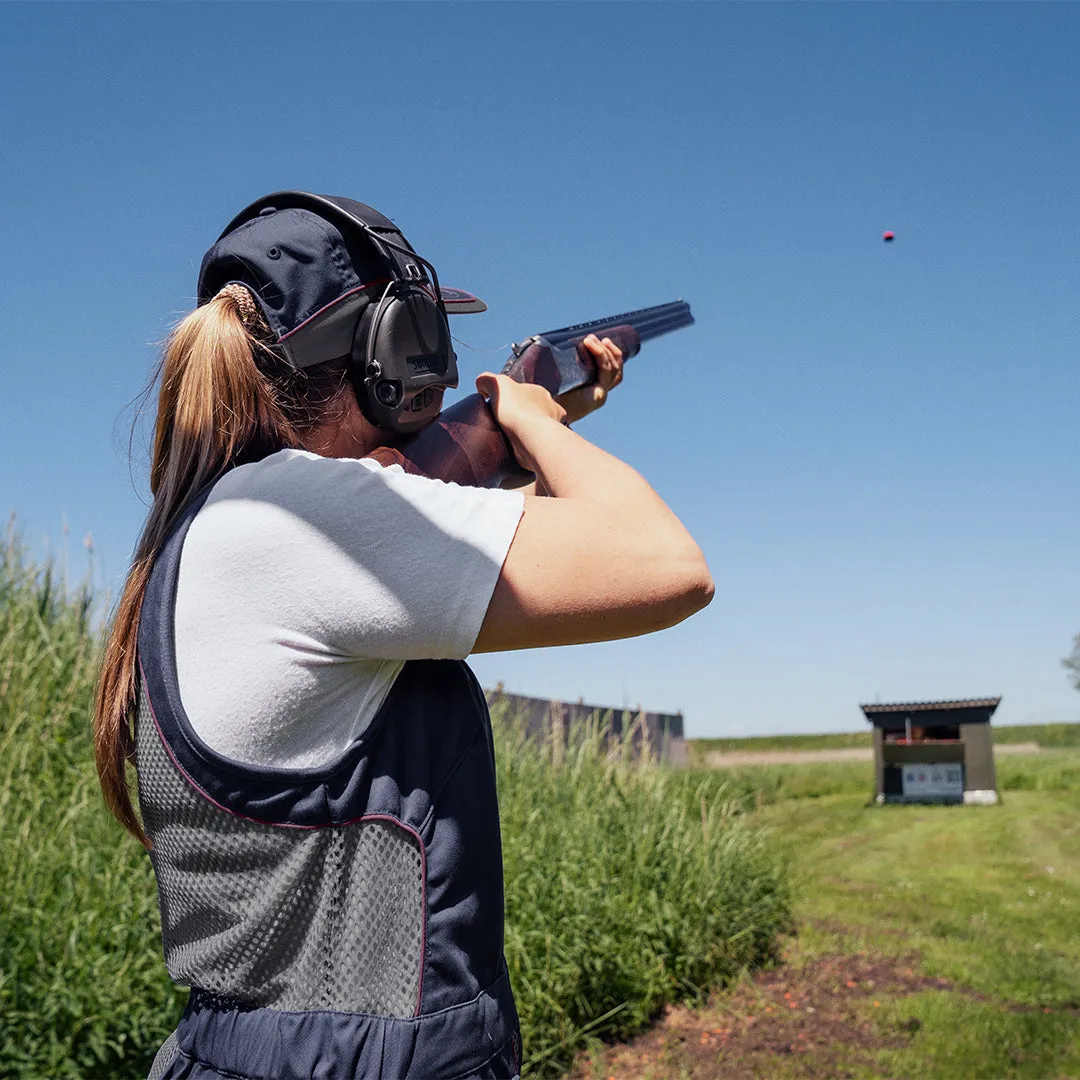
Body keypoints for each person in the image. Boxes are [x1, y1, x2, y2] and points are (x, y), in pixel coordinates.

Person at [93, 192, 713, 1080]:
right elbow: (666, 565)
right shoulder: (306, 519)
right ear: (391, 353)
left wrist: (550, 425)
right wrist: (531, 419)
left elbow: (520, 556)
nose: (447, 379)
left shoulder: (238, 523)